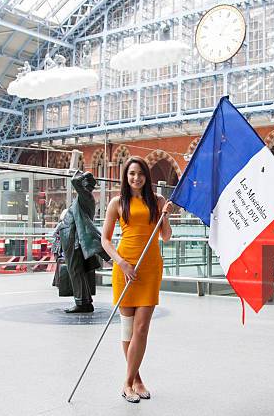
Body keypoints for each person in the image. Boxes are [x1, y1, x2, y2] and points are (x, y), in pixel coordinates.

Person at [101, 156, 173, 403]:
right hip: (125, 268)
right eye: (132, 173)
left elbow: (166, 237)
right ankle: (137, 379)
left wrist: (165, 216)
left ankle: (126, 382)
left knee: (142, 328)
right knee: (128, 329)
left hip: (150, 268)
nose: (136, 178)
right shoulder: (117, 203)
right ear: (126, 176)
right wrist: (121, 263)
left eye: (140, 173)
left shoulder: (158, 201)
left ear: (146, 176)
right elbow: (105, 240)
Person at [59, 171, 109, 313]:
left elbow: (75, 182)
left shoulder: (86, 196)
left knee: (75, 270)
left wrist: (78, 173)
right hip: (72, 237)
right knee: (77, 270)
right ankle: (84, 301)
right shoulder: (83, 198)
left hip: (74, 239)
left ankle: (81, 303)